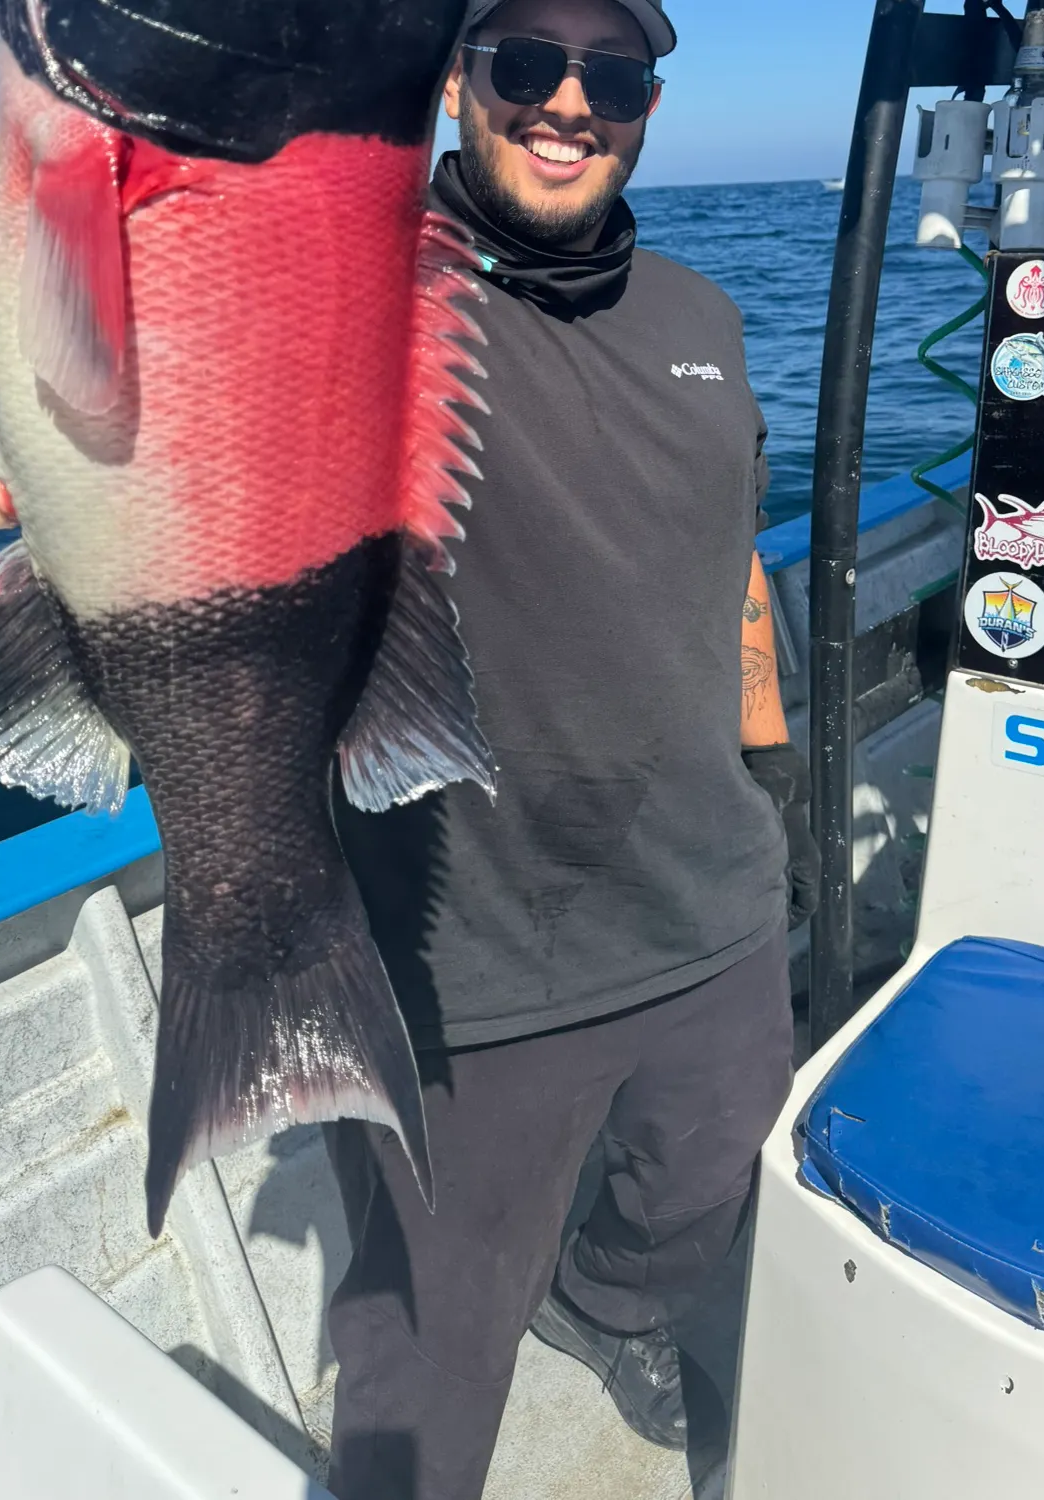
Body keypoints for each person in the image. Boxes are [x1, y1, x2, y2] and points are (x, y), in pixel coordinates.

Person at [323, 1, 820, 1496]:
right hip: (462, 959)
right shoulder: (363, 295)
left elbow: (732, 571)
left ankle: (604, 1309)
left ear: (649, 104)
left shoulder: (703, 318)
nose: (567, 102)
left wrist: (768, 775)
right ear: (459, 82)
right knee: (427, 1364)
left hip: (710, 903)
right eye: (525, 63)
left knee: (706, 1177)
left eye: (610, 74)